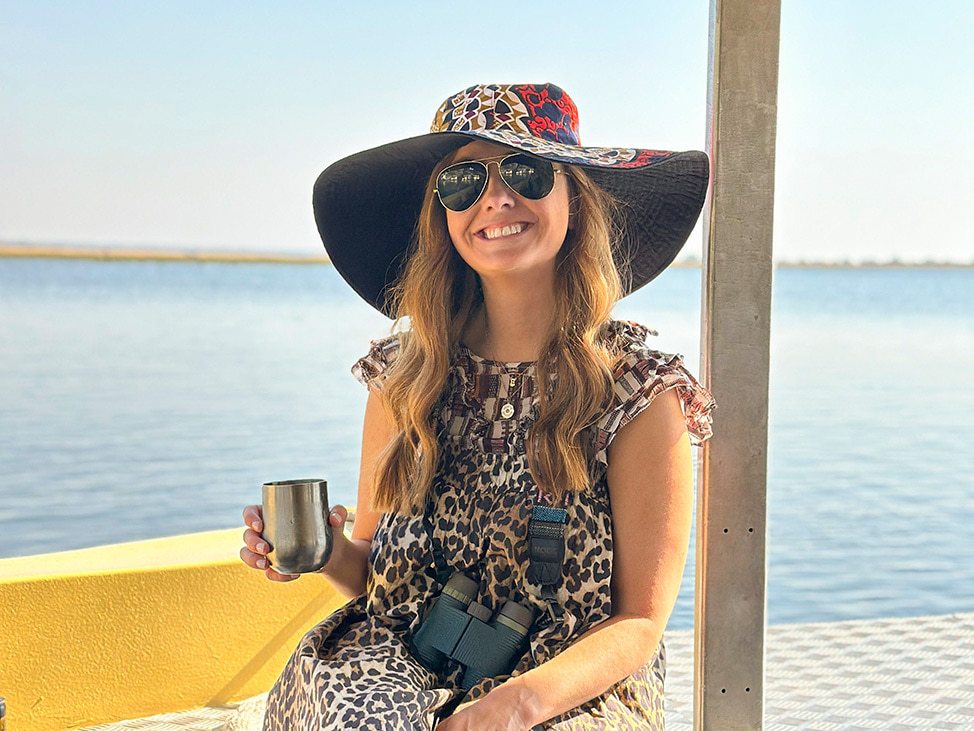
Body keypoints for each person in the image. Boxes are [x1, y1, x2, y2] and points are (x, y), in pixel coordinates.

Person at [240, 82, 717, 730]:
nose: (495, 197)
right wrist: (319, 549)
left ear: (574, 198)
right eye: (463, 181)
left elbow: (637, 623)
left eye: (526, 171)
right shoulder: (404, 379)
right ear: (443, 215)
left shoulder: (639, 394)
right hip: (398, 661)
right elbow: (377, 580)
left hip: (564, 684)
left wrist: (516, 702)